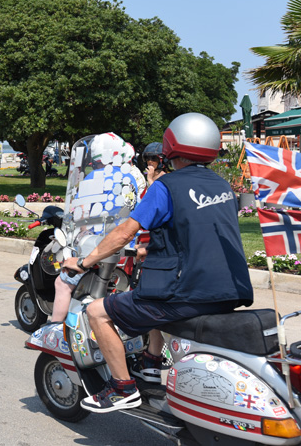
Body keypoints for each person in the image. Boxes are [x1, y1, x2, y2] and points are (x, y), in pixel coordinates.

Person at [61, 113, 254, 414]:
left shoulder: (167, 187)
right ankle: (151, 364)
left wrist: (85, 261)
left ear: (170, 146)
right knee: (152, 298)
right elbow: (196, 232)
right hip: (230, 291)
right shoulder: (222, 186)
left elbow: (126, 230)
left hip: (187, 293)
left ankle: (121, 388)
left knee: (97, 312)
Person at [51, 133, 140, 323]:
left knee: (63, 282)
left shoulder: (94, 177)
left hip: (97, 246)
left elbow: (81, 214)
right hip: (125, 247)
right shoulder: (129, 179)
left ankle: (54, 328)